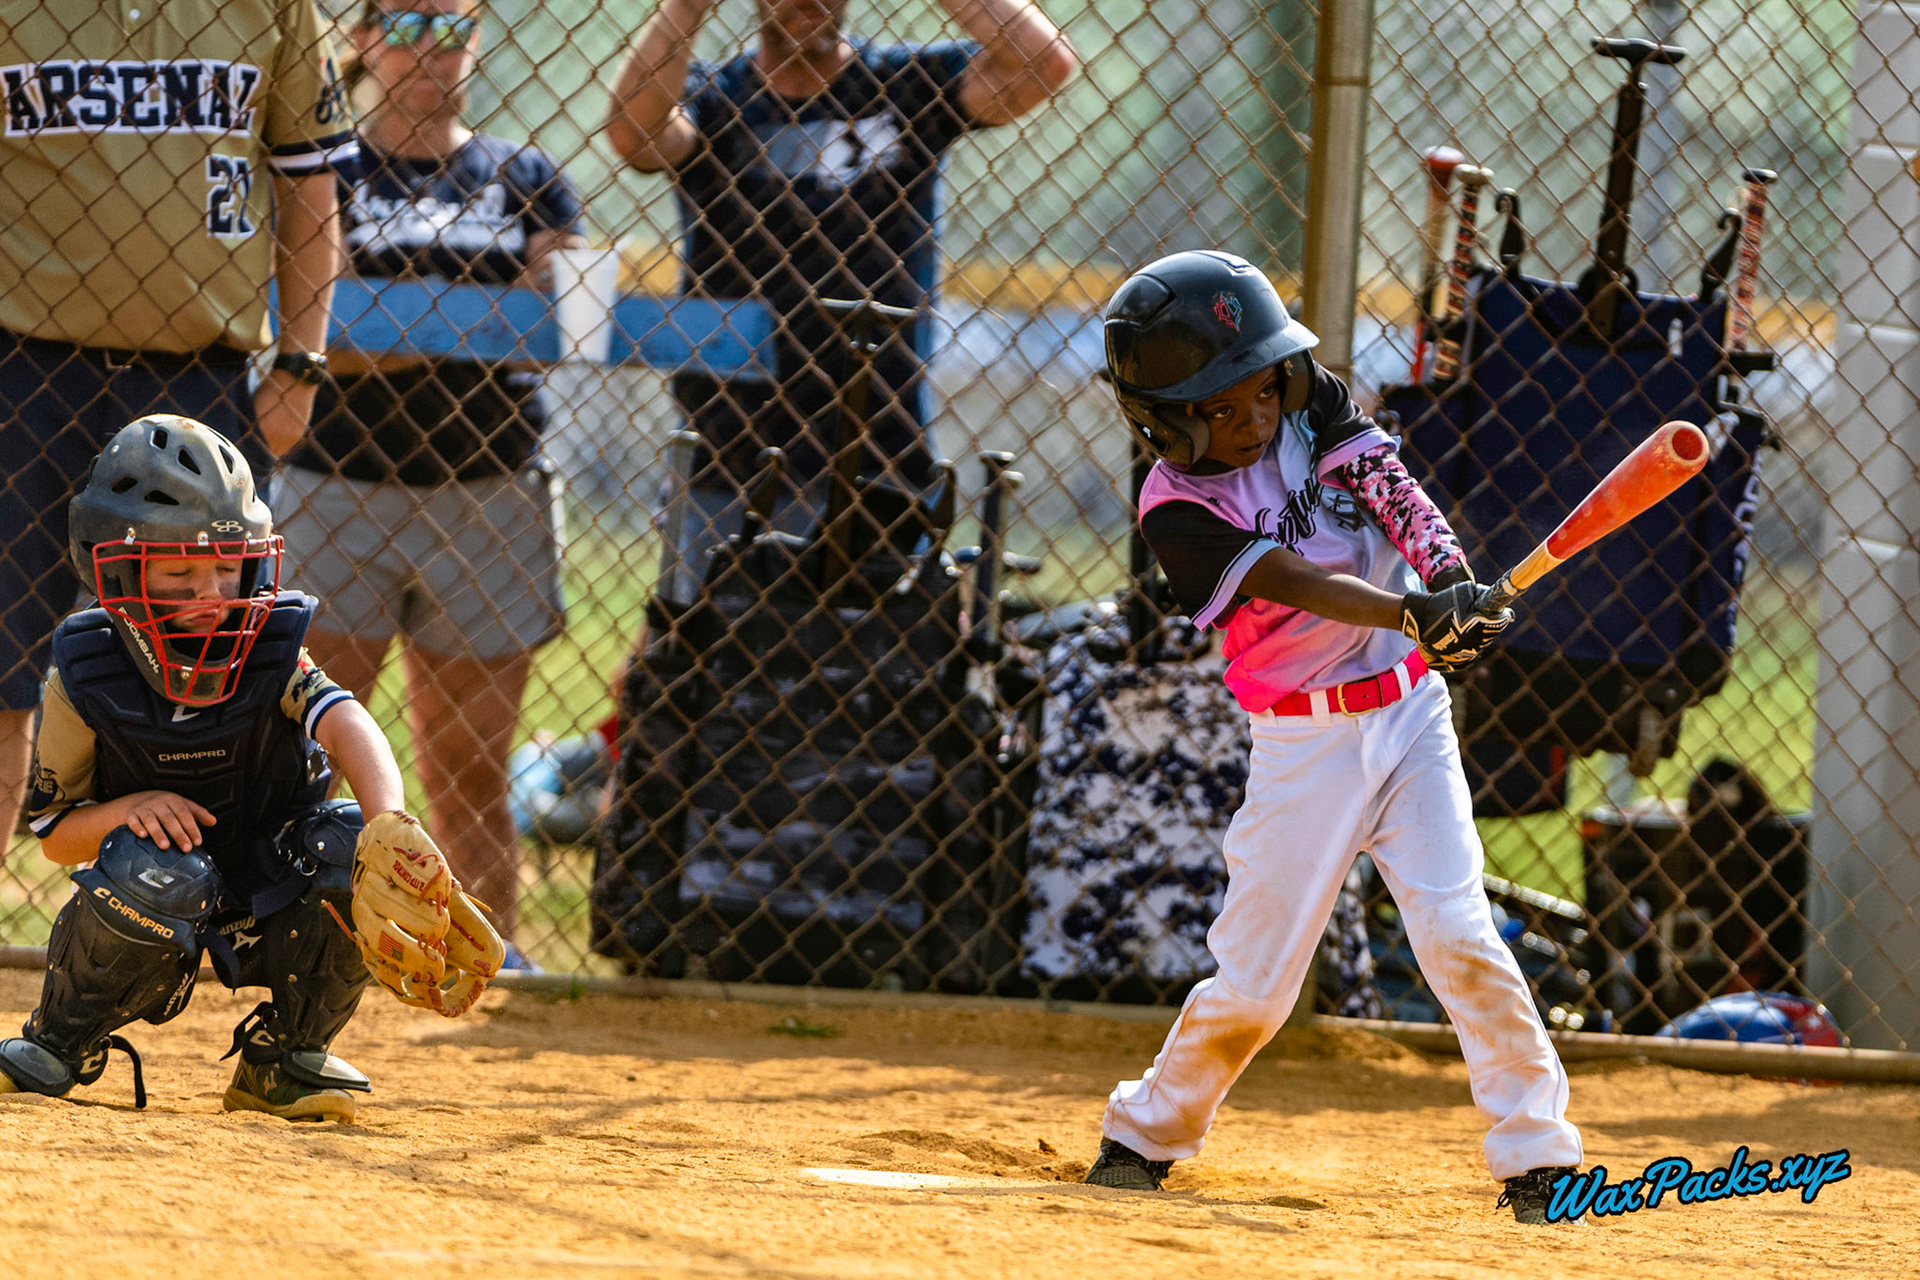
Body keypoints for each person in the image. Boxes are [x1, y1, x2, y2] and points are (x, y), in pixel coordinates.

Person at [1083, 250, 1586, 1225]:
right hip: (1303, 749)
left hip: (1408, 718)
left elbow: (1394, 491)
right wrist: (1410, 612)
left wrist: (1448, 580)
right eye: (1221, 406)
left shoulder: (1311, 402)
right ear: (1162, 419)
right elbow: (1293, 580)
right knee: (1257, 985)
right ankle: (1146, 1131)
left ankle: (1538, 1150)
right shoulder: (1177, 508)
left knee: (1460, 932)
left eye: (1260, 389)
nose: (1254, 415)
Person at [0, 416, 469, 1123]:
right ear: (117, 567)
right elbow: (58, 835)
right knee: (145, 863)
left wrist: (387, 824)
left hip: (272, 876)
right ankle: (63, 1043)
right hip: (158, 889)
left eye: (227, 566)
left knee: (345, 841)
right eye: (180, 571)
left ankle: (285, 1058)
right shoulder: (86, 673)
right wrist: (123, 813)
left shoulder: (270, 646)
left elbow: (348, 724)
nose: (212, 591)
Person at [271, 0, 586, 966]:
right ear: (360, 40)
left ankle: (483, 953)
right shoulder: (326, 166)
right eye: (404, 24)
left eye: (453, 27)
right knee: (312, 756)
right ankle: (295, 942)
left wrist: (382, 324)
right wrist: (470, 324)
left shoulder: (527, 176)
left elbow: (562, 322)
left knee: (471, 763)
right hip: (337, 481)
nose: (429, 50)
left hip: (486, 486)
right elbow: (301, 318)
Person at [0, 0, 355, 856]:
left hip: (202, 376)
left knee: (221, 671)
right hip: (24, 372)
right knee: (0, 676)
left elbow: (308, 183)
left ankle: (221, 915)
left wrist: (301, 365)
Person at [605, 0, 1077, 605]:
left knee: (873, 669)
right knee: (711, 667)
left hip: (877, 452)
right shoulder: (716, 97)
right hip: (730, 452)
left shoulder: (905, 85)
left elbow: (1043, 64)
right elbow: (634, 135)